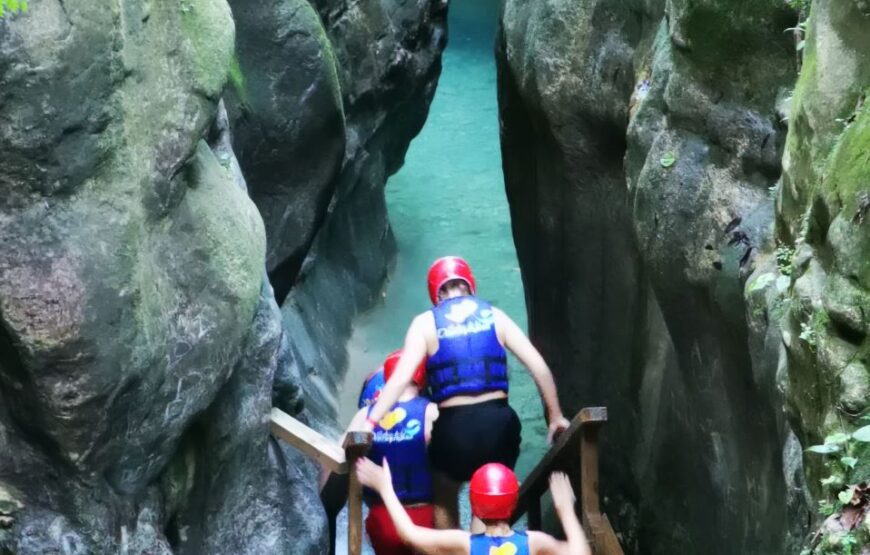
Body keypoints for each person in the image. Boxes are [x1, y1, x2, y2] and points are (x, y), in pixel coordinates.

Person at [363, 256, 571, 529]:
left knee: (444, 490)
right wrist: (554, 417)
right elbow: (539, 368)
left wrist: (370, 422)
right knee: (490, 496)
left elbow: (400, 379)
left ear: (435, 292)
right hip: (499, 426)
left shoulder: (425, 323)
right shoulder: (495, 316)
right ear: (470, 285)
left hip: (454, 429)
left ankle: (451, 546)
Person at [357, 458, 591, 555]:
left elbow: (409, 534)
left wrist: (385, 487)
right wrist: (566, 510)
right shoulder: (534, 542)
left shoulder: (464, 544)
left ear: (475, 508)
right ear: (513, 502)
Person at [345, 349, 439, 555]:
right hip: (425, 517)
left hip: (382, 518)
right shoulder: (431, 412)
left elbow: (345, 445)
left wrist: (374, 439)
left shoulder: (365, 415)